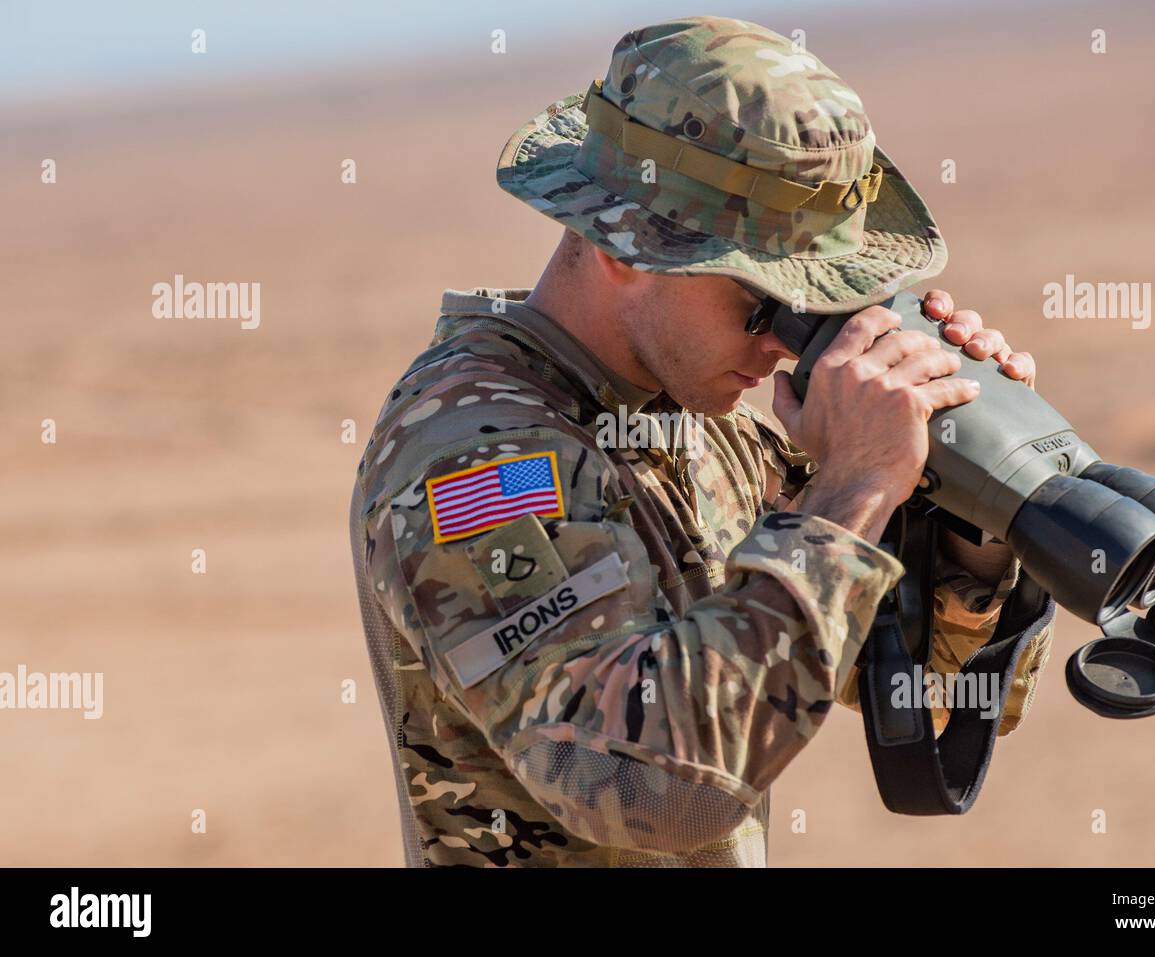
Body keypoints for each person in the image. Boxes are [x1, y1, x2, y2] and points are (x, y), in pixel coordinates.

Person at [348, 15, 1054, 867]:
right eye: (763, 303)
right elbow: (659, 790)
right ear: (627, 247)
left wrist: (966, 488)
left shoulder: (690, 418)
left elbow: (925, 691)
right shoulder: (476, 458)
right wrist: (854, 490)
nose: (782, 344)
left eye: (812, 307)